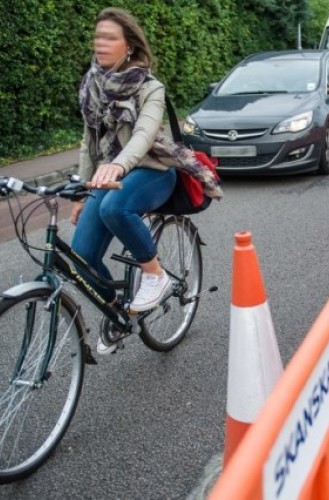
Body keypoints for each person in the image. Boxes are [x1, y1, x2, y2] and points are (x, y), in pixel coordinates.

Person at [72, 7, 219, 354]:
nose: (100, 43)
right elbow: (88, 142)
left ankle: (155, 275)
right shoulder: (92, 85)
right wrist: (80, 191)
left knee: (114, 206)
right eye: (97, 36)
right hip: (112, 172)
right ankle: (120, 310)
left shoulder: (149, 87)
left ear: (130, 46)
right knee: (80, 257)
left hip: (153, 171)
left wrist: (118, 167)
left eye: (110, 37)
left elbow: (143, 134)